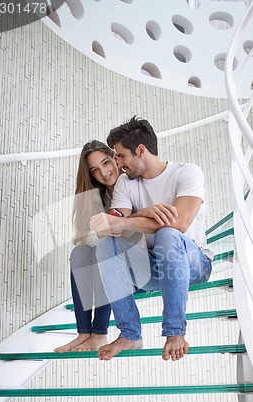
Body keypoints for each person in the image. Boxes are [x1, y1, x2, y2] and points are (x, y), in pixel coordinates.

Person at [89, 116, 213, 361]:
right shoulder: (126, 184)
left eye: (121, 155)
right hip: (151, 268)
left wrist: (125, 221)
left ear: (141, 150)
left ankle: (175, 332)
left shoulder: (187, 173)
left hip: (192, 266)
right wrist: (141, 214)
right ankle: (130, 333)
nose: (117, 163)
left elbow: (180, 223)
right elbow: (111, 228)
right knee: (105, 245)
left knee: (168, 233)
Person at [54, 140, 119, 352]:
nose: (104, 172)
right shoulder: (98, 196)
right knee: (80, 253)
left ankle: (100, 332)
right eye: (95, 170)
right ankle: (84, 331)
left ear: (115, 159)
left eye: (106, 163)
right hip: (109, 255)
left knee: (103, 249)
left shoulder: (131, 184)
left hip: (132, 261)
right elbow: (86, 237)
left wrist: (102, 234)